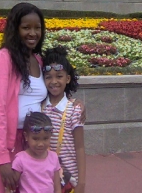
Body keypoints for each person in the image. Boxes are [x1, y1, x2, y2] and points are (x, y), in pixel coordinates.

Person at [0, 2, 85, 193]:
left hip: (29, 140)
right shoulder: (3, 58)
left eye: (37, 28)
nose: (33, 33)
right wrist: (2, 159)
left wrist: (75, 103)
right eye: (26, 27)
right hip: (0, 144)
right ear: (15, 28)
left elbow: (53, 88)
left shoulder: (38, 60)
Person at [42, 46, 86, 193]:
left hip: (69, 180)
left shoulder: (74, 109)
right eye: (48, 77)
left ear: (67, 78)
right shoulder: (39, 108)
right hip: (45, 178)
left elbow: (80, 147)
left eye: (59, 76)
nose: (54, 81)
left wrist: (81, 183)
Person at [12, 111, 62, 193]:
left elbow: (57, 187)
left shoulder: (53, 157)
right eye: (35, 139)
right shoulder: (20, 159)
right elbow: (11, 186)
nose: (41, 144)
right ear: (26, 136)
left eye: (45, 138)